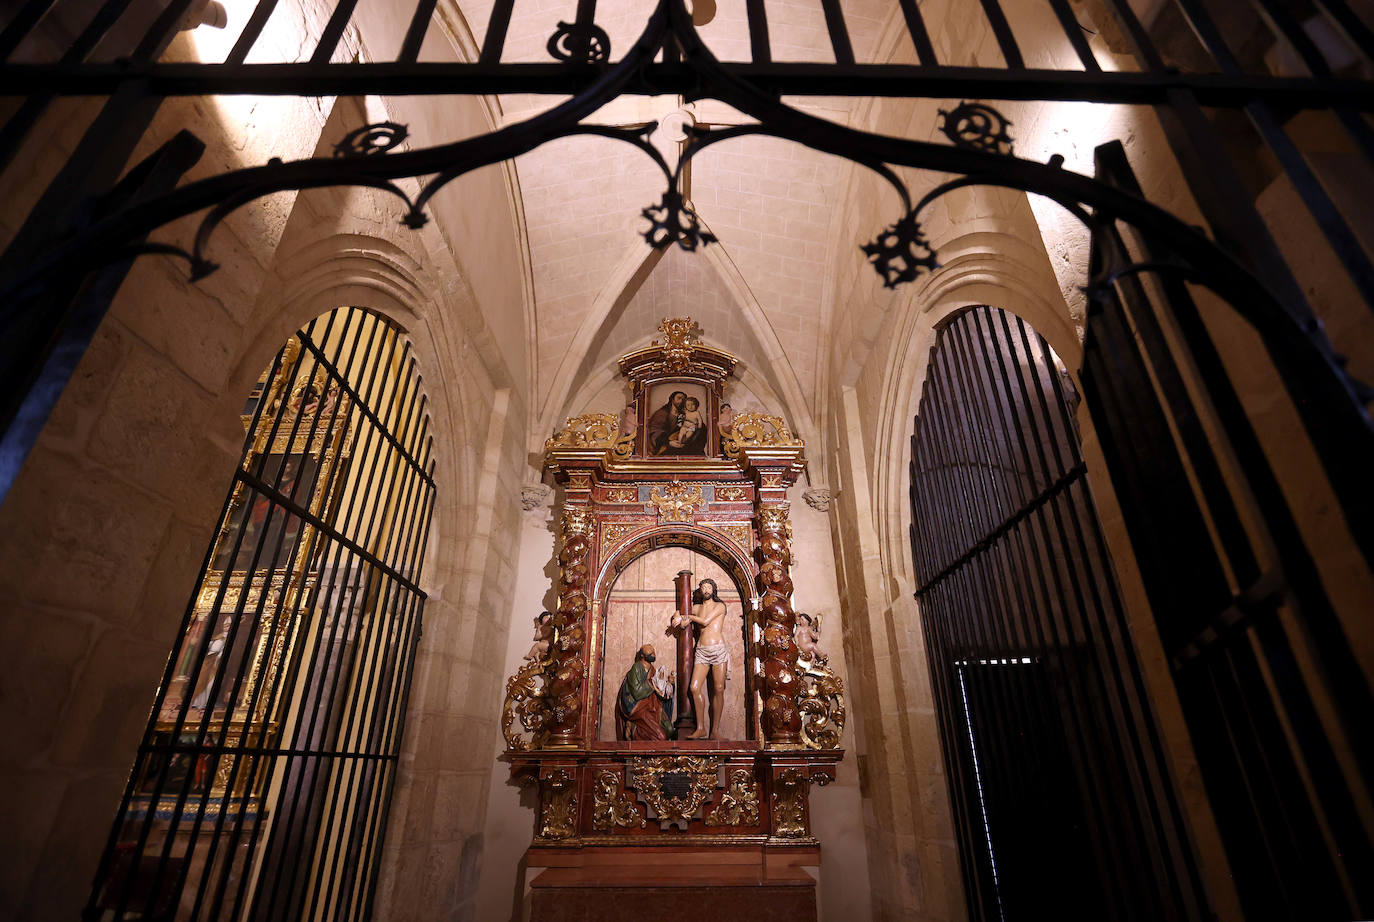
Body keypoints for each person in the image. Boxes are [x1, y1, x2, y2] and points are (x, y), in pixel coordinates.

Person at [671, 578, 729, 739]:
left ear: (714, 590)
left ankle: (715, 731)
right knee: (694, 688)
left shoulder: (720, 606)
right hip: (702, 650)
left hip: (718, 649)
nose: (706, 589)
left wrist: (688, 617)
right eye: (703, 587)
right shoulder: (696, 608)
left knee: (718, 688)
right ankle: (701, 728)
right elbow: (682, 620)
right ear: (700, 590)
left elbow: (705, 621)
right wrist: (677, 617)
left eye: (709, 587)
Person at [614, 644, 675, 740]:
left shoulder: (653, 670)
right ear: (642, 655)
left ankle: (635, 726)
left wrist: (670, 685)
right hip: (638, 706)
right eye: (650, 653)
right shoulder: (637, 668)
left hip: (653, 705)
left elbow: (660, 692)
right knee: (661, 737)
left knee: (669, 730)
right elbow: (637, 693)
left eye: (654, 652)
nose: (653, 654)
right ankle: (633, 728)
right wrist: (653, 683)